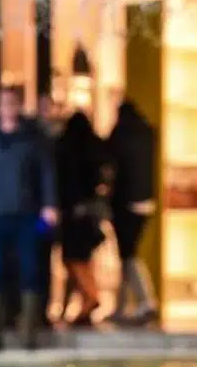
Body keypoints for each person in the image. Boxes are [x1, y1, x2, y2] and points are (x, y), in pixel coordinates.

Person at [0, 86, 58, 350]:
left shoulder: (33, 138)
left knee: (30, 267)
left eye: (12, 103)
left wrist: (49, 205)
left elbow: (46, 172)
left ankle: (28, 330)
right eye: (3, 103)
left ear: (19, 106)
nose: (8, 108)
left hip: (28, 214)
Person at [107, 101, 160, 325]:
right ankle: (122, 305)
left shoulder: (121, 135)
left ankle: (145, 301)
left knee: (128, 255)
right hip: (146, 201)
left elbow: (111, 162)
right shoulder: (148, 133)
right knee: (128, 255)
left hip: (126, 203)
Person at [54, 111, 108, 326]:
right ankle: (84, 302)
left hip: (72, 214)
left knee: (73, 259)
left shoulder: (66, 148)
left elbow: (65, 181)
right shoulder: (96, 147)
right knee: (82, 259)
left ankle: (91, 296)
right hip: (89, 213)